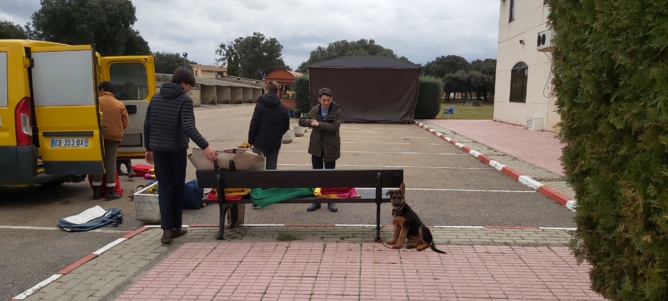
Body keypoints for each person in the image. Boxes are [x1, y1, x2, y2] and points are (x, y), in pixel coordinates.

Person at [143, 67, 216, 244]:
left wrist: (149, 148)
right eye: (190, 86)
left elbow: (147, 124)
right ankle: (176, 227)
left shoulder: (156, 97)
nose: (190, 89)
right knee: (177, 188)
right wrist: (205, 146)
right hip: (176, 151)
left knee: (165, 188)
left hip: (159, 150)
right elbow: (188, 127)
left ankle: (167, 231)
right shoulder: (184, 100)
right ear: (183, 83)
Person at [298, 87, 341, 212]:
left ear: (332, 99)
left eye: (328, 100)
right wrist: (311, 121)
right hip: (316, 147)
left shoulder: (336, 110)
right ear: (319, 99)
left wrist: (319, 124)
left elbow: (334, 127)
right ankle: (316, 201)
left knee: (329, 176)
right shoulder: (315, 109)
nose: (326, 103)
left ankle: (330, 201)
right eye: (323, 100)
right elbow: (301, 121)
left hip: (330, 148)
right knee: (316, 175)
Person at [92, 81, 128, 200]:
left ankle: (96, 192)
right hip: (113, 136)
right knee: (110, 164)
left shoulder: (95, 102)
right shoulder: (120, 104)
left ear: (102, 90)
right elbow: (125, 123)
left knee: (98, 162)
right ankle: (110, 193)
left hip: (97, 136)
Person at [248, 80, 290, 170]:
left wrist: (250, 140)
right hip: (275, 142)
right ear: (277, 91)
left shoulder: (260, 105)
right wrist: (278, 134)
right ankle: (270, 184)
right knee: (271, 169)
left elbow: (254, 123)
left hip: (260, 142)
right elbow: (286, 126)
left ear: (266, 90)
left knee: (257, 168)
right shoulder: (283, 108)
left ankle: (258, 184)